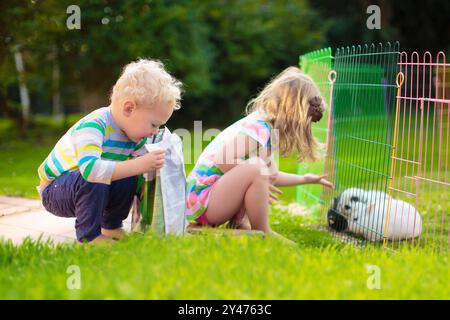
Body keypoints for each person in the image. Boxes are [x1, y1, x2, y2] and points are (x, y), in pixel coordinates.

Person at [37, 59, 182, 243]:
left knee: (127, 174)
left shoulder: (133, 136)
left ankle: (111, 226)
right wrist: (138, 165)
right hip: (56, 190)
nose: (154, 131)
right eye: (154, 124)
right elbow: (90, 170)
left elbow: (139, 172)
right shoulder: (95, 125)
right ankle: (89, 237)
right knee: (97, 176)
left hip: (87, 185)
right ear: (129, 108)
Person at [186, 67, 334, 232]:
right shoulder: (259, 127)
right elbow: (223, 158)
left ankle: (240, 224)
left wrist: (305, 179)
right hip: (203, 201)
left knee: (259, 169)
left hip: (213, 201)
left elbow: (272, 176)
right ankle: (263, 231)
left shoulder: (269, 133)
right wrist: (259, 175)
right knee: (257, 167)